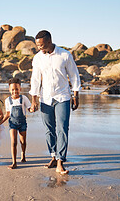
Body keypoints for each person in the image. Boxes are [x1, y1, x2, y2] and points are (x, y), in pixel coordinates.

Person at [29, 30, 81, 175]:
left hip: (63, 97)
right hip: (45, 98)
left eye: (41, 44)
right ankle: (53, 155)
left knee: (62, 129)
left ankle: (60, 161)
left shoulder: (64, 55)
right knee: (49, 129)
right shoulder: (38, 58)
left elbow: (74, 75)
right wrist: (34, 100)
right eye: (37, 44)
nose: (38, 47)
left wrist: (76, 95)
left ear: (49, 41)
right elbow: (35, 79)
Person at [0, 78, 32, 169]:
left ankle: (23, 154)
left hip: (22, 123)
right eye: (12, 89)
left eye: (16, 89)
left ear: (20, 89)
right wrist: (0, 122)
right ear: (9, 89)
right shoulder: (7, 100)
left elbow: (30, 108)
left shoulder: (24, 98)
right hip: (12, 123)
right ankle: (14, 162)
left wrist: (32, 109)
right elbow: (8, 114)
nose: (15, 91)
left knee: (23, 141)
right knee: (14, 142)